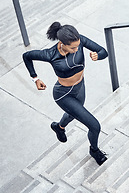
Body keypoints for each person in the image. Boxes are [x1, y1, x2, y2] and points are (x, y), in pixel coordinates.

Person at [22, 22, 108, 165]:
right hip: (63, 94)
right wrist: (35, 78)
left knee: (74, 113)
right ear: (62, 43)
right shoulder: (50, 54)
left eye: (78, 46)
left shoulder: (79, 41)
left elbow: (103, 51)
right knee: (94, 126)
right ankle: (94, 150)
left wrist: (97, 56)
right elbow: (26, 56)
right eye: (73, 47)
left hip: (80, 87)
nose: (77, 49)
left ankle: (59, 127)